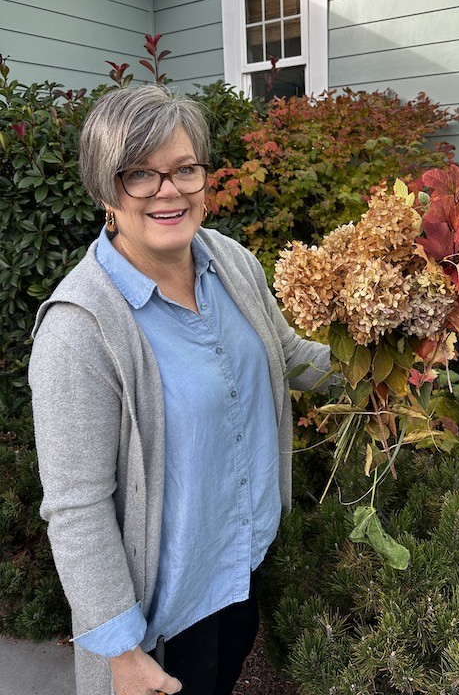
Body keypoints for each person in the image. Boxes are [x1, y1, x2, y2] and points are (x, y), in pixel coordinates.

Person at [28, 85, 330, 695]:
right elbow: (77, 508)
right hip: (166, 617)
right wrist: (121, 650)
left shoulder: (232, 262)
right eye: (140, 174)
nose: (169, 191)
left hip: (243, 569)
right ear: (104, 192)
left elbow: (289, 358)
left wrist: (387, 357)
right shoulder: (80, 329)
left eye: (185, 169)